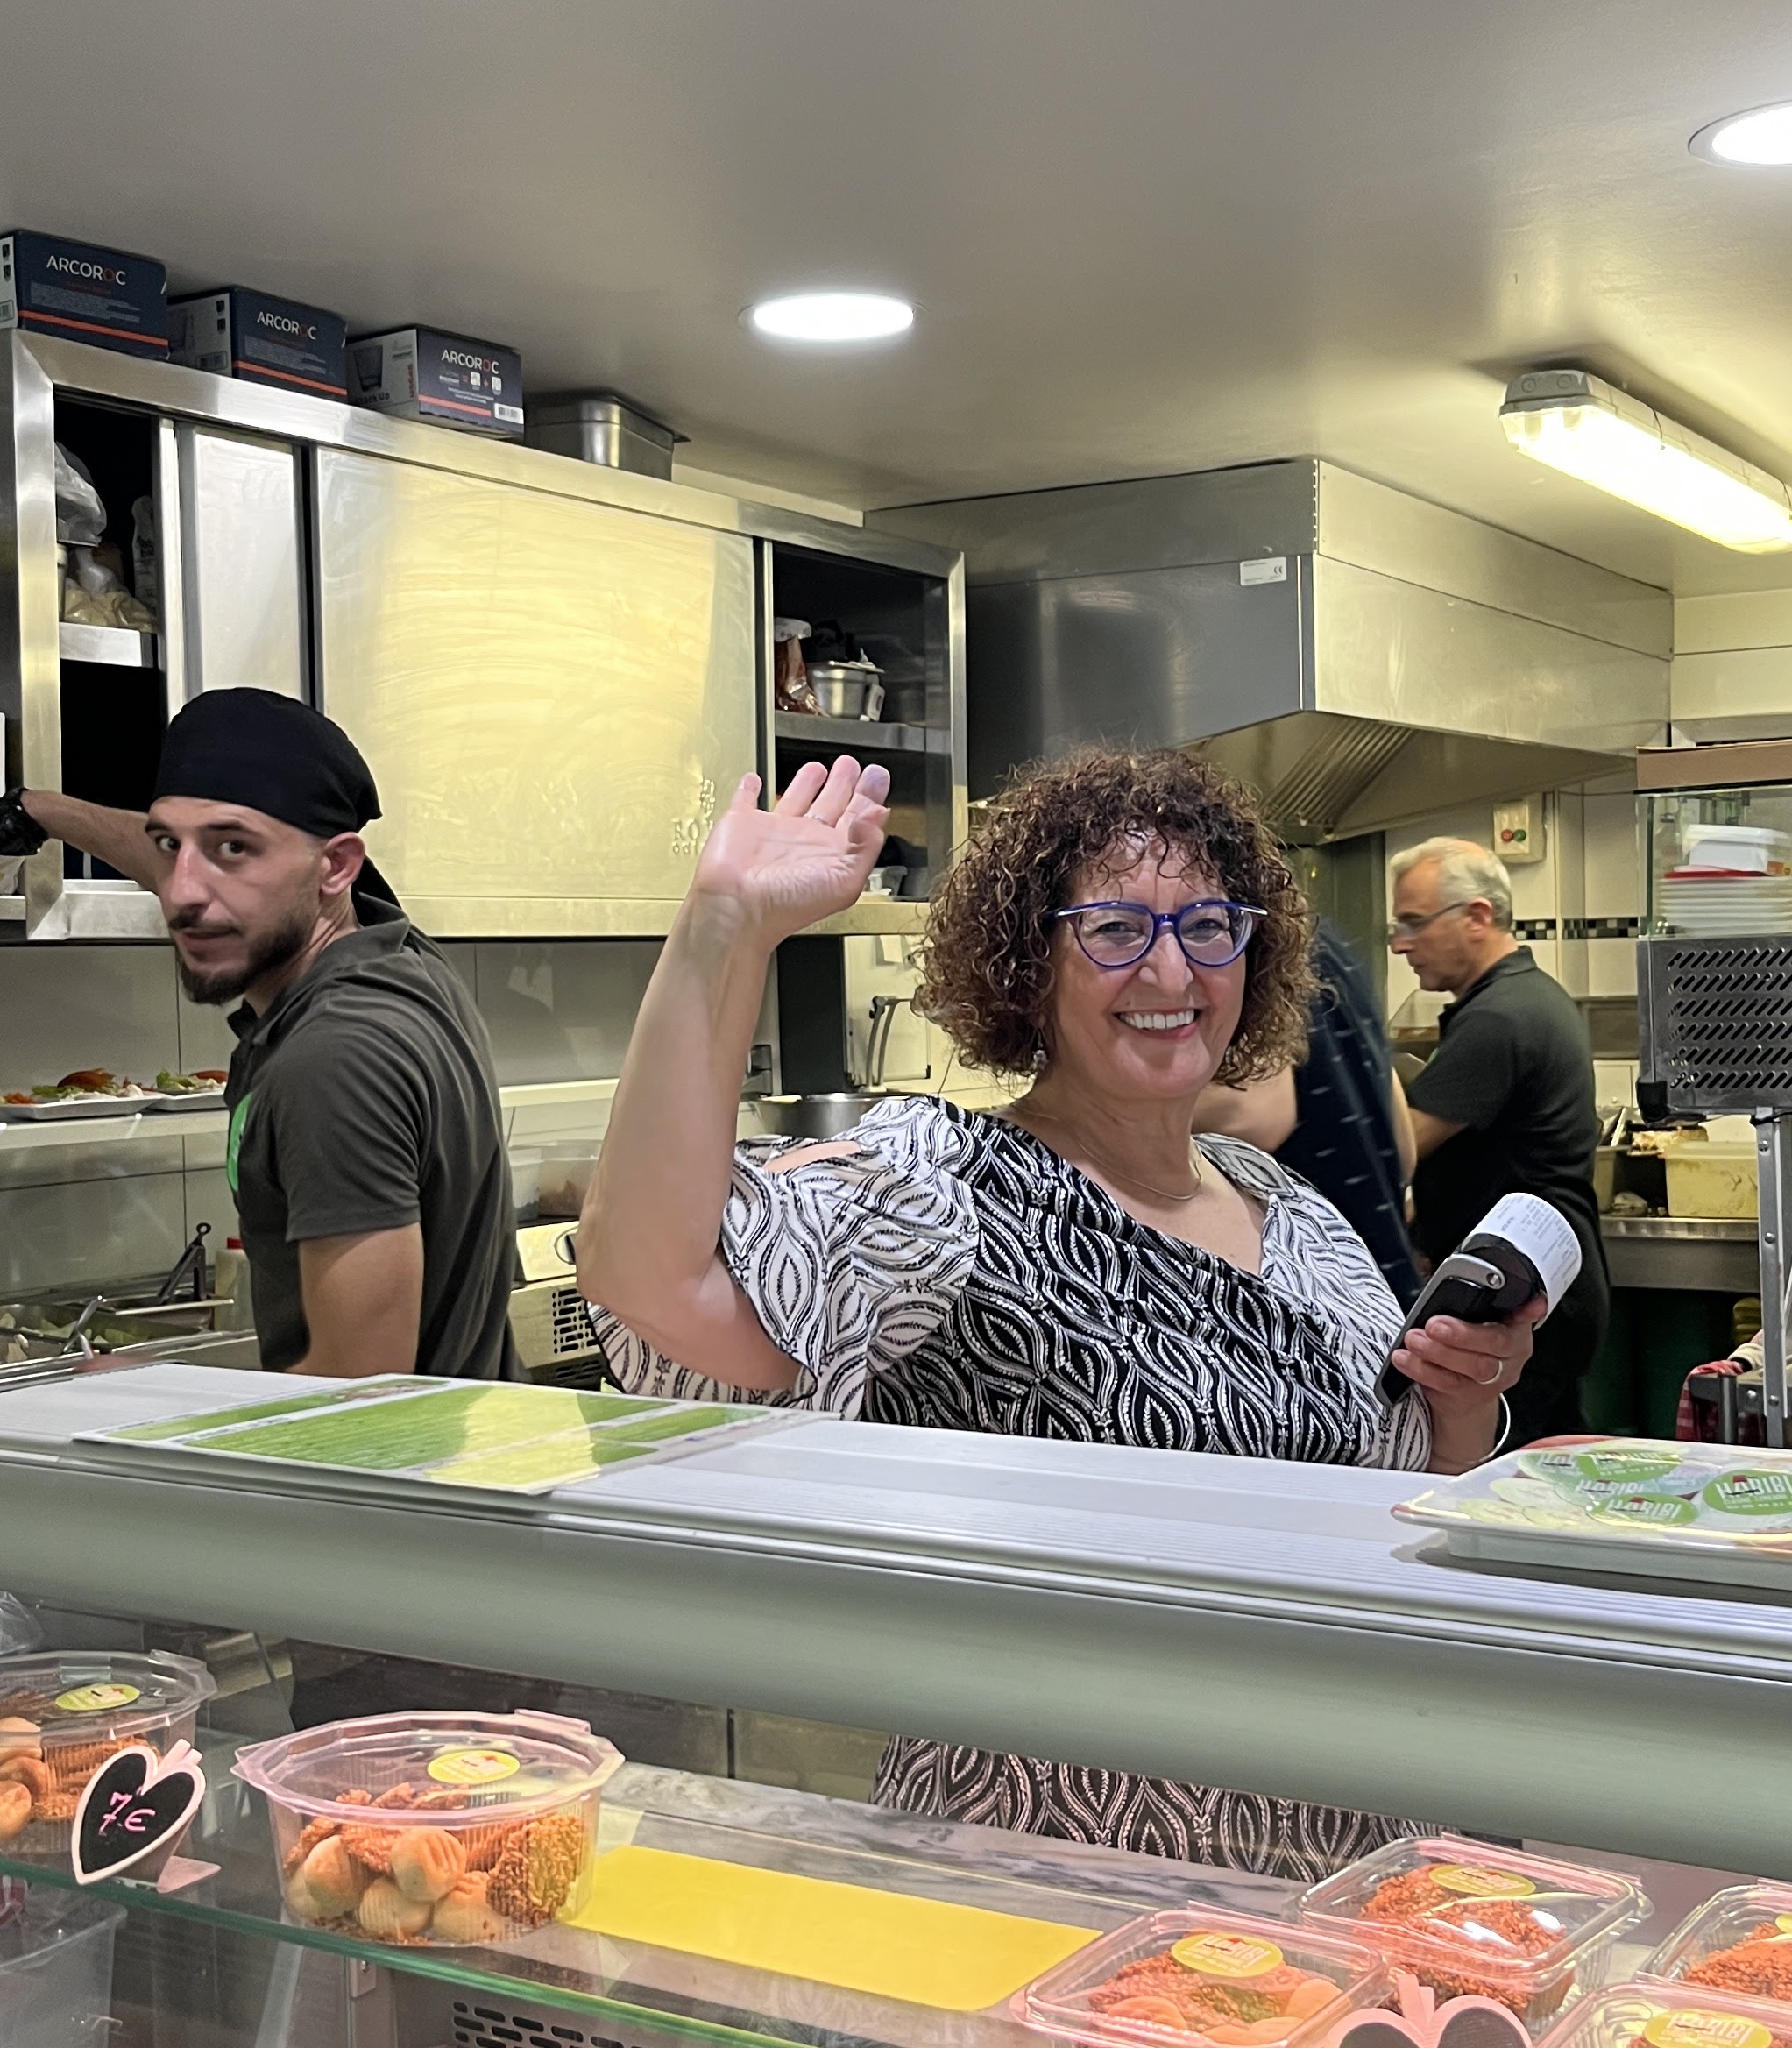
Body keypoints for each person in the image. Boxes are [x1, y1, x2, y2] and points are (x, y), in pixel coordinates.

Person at [577, 744, 1536, 1874]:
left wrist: (1464, 1404)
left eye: (1208, 927)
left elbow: (1397, 1494)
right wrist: (724, 931)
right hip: (1055, 1876)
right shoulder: (945, 1185)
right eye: (1116, 929)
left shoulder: (1290, 1210)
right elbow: (656, 1282)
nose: (1171, 971)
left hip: (1342, 1864)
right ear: (1029, 966)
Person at [0, 688, 515, 1383]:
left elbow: (362, 1389)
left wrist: (163, 1395)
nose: (182, 893)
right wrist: (42, 812)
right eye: (169, 845)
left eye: (234, 848)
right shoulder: (397, 956)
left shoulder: (332, 1060)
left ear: (336, 867)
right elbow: (204, 867)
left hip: (390, 1456)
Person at [1387, 833, 1610, 1447]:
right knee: (1544, 1468)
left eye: (1414, 923)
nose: (1401, 944)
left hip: (1516, 1296)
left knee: (1503, 1469)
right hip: (1546, 1282)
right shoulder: (1530, 996)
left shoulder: (1498, 1018)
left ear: (1477, 916)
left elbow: (1397, 1149)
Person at [1196, 912, 1417, 1299]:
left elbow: (1260, 1111)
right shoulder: (1327, 944)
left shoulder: (1241, 945)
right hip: (1386, 1279)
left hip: (1315, 1292)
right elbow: (1405, 1150)